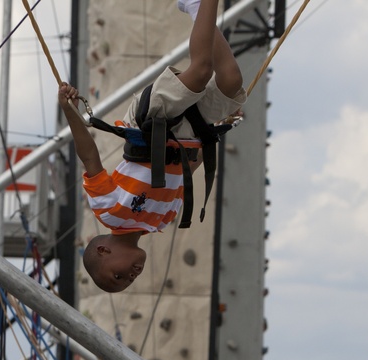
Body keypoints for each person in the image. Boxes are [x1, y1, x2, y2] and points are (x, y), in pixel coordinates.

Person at [58, 0, 246, 293]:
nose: (131, 275)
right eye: (129, 281)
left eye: (118, 276)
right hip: (186, 135)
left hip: (150, 126)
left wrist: (70, 110)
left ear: (103, 252)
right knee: (231, 81)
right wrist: (214, 132)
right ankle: (197, 7)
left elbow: (89, 155)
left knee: (200, 72)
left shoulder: (108, 210)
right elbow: (187, 168)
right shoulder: (161, 219)